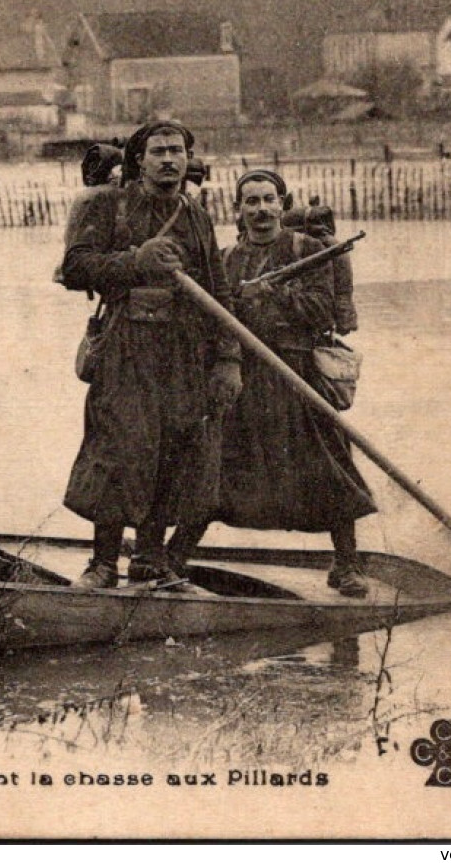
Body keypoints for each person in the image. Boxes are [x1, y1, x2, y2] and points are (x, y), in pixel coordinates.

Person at [168, 170, 376, 597]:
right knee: (214, 467)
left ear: (282, 204)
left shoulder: (310, 250)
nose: (261, 209)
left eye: (268, 200)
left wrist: (274, 294)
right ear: (238, 210)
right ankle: (171, 559)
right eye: (251, 202)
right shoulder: (224, 260)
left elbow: (322, 312)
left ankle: (347, 565)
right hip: (241, 377)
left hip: (296, 375)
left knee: (327, 465)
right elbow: (207, 322)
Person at [59, 122, 242, 589]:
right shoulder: (108, 205)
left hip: (184, 351)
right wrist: (135, 262)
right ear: (139, 159)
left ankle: (149, 559)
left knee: (174, 448)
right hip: (126, 348)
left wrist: (227, 358)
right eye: (158, 151)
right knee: (119, 448)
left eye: (177, 151)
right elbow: (76, 268)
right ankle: (102, 563)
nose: (168, 160)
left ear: (186, 158)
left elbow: (218, 290)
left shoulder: (195, 214)